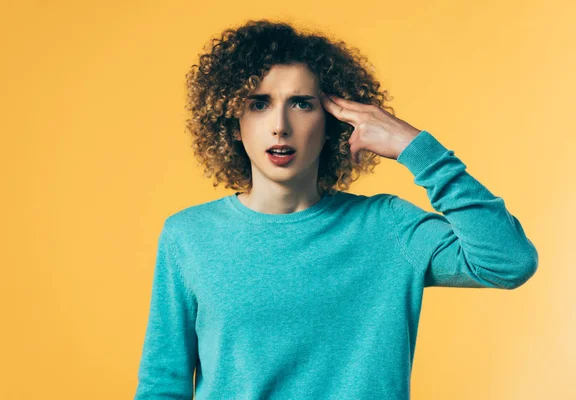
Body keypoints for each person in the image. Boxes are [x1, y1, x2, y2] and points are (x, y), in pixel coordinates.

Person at [134, 19, 538, 400]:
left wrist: (417, 148)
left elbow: (508, 261)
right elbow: (161, 386)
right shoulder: (189, 236)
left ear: (331, 122)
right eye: (258, 104)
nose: (279, 125)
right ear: (232, 122)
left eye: (301, 104)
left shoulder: (387, 228)